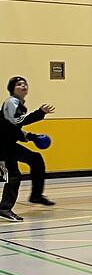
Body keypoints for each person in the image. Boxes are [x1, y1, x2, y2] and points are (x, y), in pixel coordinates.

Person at [0, 76, 56, 222]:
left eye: (25, 84)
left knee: (35, 159)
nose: (23, 86)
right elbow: (15, 122)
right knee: (13, 175)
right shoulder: (11, 102)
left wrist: (32, 137)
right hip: (2, 146)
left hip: (8, 144)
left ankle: (36, 195)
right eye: (19, 84)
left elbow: (13, 129)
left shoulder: (19, 104)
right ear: (12, 88)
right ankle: (5, 208)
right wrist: (39, 113)